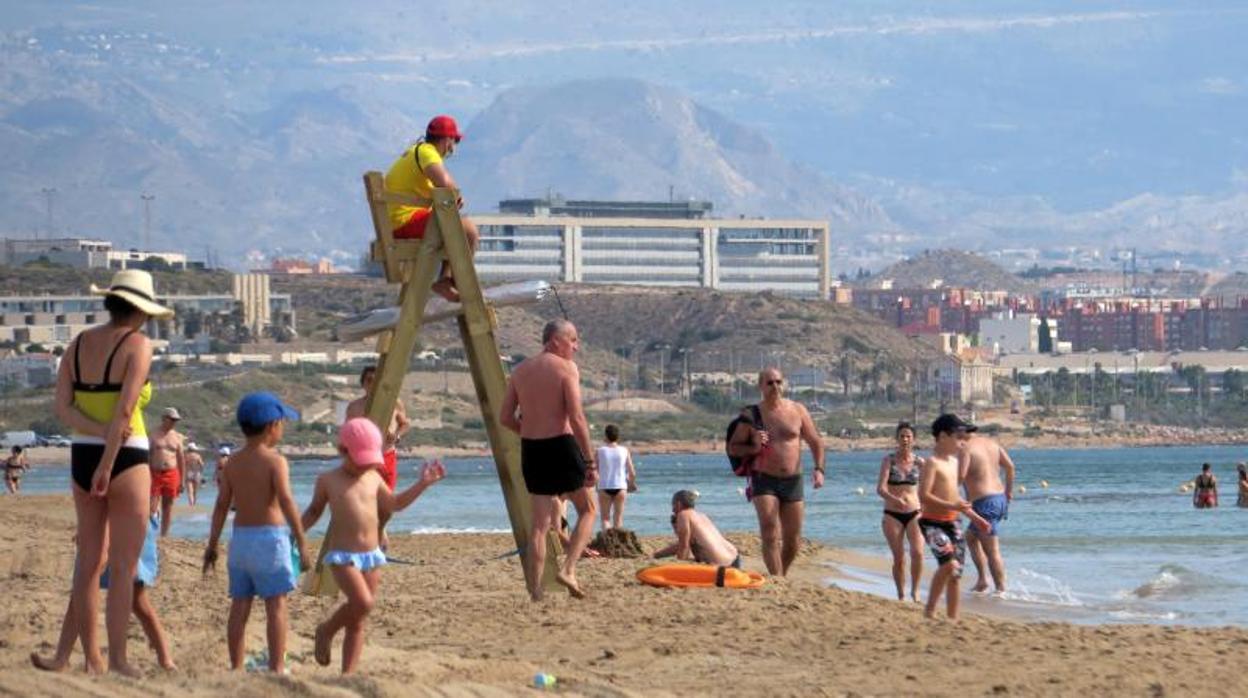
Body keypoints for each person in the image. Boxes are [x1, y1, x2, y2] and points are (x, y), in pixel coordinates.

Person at [53, 269, 172, 676]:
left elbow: (63, 409)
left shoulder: (78, 344)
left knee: (87, 563)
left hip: (81, 454)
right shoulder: (138, 345)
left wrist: (97, 435)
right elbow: (125, 412)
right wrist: (108, 459)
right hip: (123, 458)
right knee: (123, 567)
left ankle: (92, 659)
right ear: (142, 310)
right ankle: (118, 658)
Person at [301, 418, 445, 674]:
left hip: (372, 555)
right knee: (364, 603)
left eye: (370, 460)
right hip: (342, 556)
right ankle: (326, 630)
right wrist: (295, 534)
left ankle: (348, 675)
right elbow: (313, 512)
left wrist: (423, 484)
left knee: (358, 618)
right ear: (343, 450)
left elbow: (395, 504)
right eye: (362, 460)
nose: (366, 466)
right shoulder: (328, 480)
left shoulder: (373, 478)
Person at [203, 392, 310, 674]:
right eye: (282, 422)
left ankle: (236, 667)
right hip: (269, 540)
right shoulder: (276, 462)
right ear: (272, 426)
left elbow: (221, 505)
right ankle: (276, 667)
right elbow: (286, 502)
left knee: (240, 605)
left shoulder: (232, 464)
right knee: (276, 605)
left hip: (240, 542)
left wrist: (212, 544)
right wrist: (301, 540)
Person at [500, 319, 598, 601]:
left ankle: (535, 591)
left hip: (532, 449)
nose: (576, 347)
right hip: (561, 445)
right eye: (573, 340)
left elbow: (505, 418)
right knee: (588, 510)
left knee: (539, 527)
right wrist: (590, 461)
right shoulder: (566, 368)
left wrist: (529, 430)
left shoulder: (520, 371)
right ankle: (568, 569)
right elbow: (577, 417)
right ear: (556, 340)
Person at [31, 514, 174, 672]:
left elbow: (151, 500)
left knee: (137, 599)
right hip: (105, 518)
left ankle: (165, 658)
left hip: (132, 522)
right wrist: (88, 526)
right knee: (81, 593)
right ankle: (61, 658)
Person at [726, 368, 825, 576]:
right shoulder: (751, 415)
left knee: (793, 540)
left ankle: (781, 576)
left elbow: (816, 441)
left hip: (793, 480)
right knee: (770, 531)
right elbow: (732, 447)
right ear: (761, 386)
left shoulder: (797, 410)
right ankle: (777, 580)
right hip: (763, 478)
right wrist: (753, 448)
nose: (775, 387)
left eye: (778, 382)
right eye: (770, 383)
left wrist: (819, 469)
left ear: (784, 384)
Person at [384, 114, 481, 302]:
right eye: (454, 142)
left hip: (399, 222)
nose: (452, 149)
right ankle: (451, 281)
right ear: (446, 140)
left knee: (455, 225)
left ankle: (446, 279)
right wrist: (457, 195)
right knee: (469, 230)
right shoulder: (427, 152)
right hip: (404, 222)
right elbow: (446, 184)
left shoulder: (416, 152)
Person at [919, 414, 990, 620]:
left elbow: (955, 497)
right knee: (948, 564)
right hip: (932, 523)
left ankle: (952, 618)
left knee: (956, 574)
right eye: (958, 436)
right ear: (942, 436)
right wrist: (952, 505)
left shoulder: (954, 462)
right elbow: (923, 496)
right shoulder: (932, 463)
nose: (962, 441)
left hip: (953, 522)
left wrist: (975, 517)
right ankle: (930, 610)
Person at [344, 365, 411, 546]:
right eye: (368, 381)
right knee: (365, 498)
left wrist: (397, 434)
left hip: (386, 455)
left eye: (376, 380)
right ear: (363, 384)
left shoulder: (394, 402)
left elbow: (405, 424)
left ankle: (380, 530)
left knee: (387, 501)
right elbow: (347, 432)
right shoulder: (355, 407)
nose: (372, 385)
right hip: (363, 460)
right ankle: (371, 536)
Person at [959, 428, 1017, 593]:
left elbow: (960, 476)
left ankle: (1000, 589)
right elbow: (1010, 467)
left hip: (985, 503)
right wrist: (1008, 491)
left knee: (992, 550)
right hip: (999, 499)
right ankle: (983, 580)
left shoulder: (966, 448)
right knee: (970, 538)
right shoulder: (992, 444)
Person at [876, 421, 925, 602]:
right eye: (902, 436)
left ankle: (916, 591)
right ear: (897, 439)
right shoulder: (889, 461)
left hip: (915, 513)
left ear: (913, 439)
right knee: (899, 557)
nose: (905, 439)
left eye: (908, 436)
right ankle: (901, 594)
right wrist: (895, 500)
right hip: (892, 514)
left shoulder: (920, 463)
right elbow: (880, 489)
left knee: (918, 553)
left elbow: (929, 489)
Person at [653, 490, 740, 568]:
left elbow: (684, 547)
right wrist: (658, 555)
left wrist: (679, 565)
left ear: (678, 504)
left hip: (721, 565)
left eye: (673, 505)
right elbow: (687, 543)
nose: (672, 510)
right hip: (735, 558)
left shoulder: (683, 514)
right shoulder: (702, 516)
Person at [149, 407, 186, 536]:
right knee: (152, 505)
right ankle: (150, 532)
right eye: (172, 419)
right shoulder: (153, 434)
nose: (174, 422)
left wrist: (182, 481)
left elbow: (181, 459)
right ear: (164, 418)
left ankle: (164, 534)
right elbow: (147, 456)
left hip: (172, 473)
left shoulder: (177, 436)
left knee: (168, 505)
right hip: (155, 472)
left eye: (176, 420)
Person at [595, 424, 637, 531]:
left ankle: (607, 542)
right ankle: (617, 543)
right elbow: (632, 472)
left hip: (604, 487)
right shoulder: (624, 450)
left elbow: (595, 471)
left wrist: (595, 485)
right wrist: (631, 484)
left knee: (605, 518)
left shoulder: (599, 451)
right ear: (618, 437)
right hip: (620, 487)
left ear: (605, 436)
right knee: (618, 518)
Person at [184, 442, 205, 507]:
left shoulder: (185, 456)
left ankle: (191, 506)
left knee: (190, 492)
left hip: (188, 473)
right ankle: (194, 505)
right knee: (195, 492)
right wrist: (201, 472)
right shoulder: (197, 456)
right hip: (196, 473)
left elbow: (182, 465)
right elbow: (202, 465)